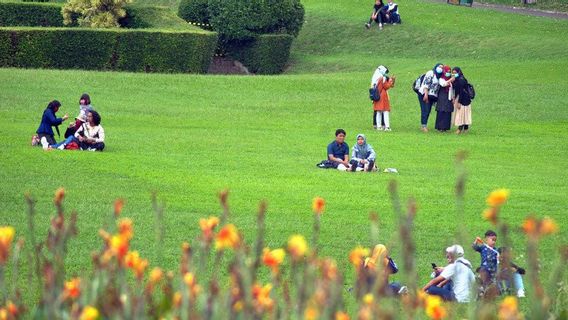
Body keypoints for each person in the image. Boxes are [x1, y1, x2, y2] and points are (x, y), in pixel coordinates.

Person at [418, 63, 443, 132]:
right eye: (439, 67)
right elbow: (426, 84)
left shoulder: (440, 76)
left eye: (442, 68)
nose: (440, 69)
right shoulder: (431, 73)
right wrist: (426, 94)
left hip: (432, 95)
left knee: (428, 110)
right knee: (425, 109)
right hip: (424, 93)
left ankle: (424, 124)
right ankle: (424, 126)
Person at [373, 66, 396, 131]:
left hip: (377, 96)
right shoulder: (383, 78)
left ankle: (378, 126)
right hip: (383, 96)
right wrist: (390, 82)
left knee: (378, 112)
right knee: (385, 111)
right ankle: (387, 127)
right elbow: (386, 86)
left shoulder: (376, 77)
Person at [451, 67, 472, 134]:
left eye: (455, 73)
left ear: (459, 72)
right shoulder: (457, 79)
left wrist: (459, 102)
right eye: (453, 73)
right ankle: (465, 129)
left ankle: (460, 129)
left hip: (463, 99)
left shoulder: (461, 80)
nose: (454, 74)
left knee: (462, 113)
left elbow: (461, 92)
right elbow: (456, 90)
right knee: (464, 113)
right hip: (461, 98)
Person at [434, 65, 455, 132]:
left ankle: (445, 127)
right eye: (447, 72)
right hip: (442, 96)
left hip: (449, 96)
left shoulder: (451, 79)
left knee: (447, 111)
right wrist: (450, 80)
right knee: (441, 110)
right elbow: (444, 84)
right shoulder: (441, 78)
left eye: (449, 72)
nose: (448, 73)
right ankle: (439, 127)